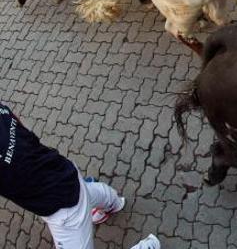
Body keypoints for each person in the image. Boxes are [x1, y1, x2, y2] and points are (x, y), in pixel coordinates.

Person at [0, 102, 161, 249]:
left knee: (81, 197)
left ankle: (148, 246)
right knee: (85, 192)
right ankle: (114, 203)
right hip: (62, 169)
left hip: (63, 210)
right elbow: (15, 121)